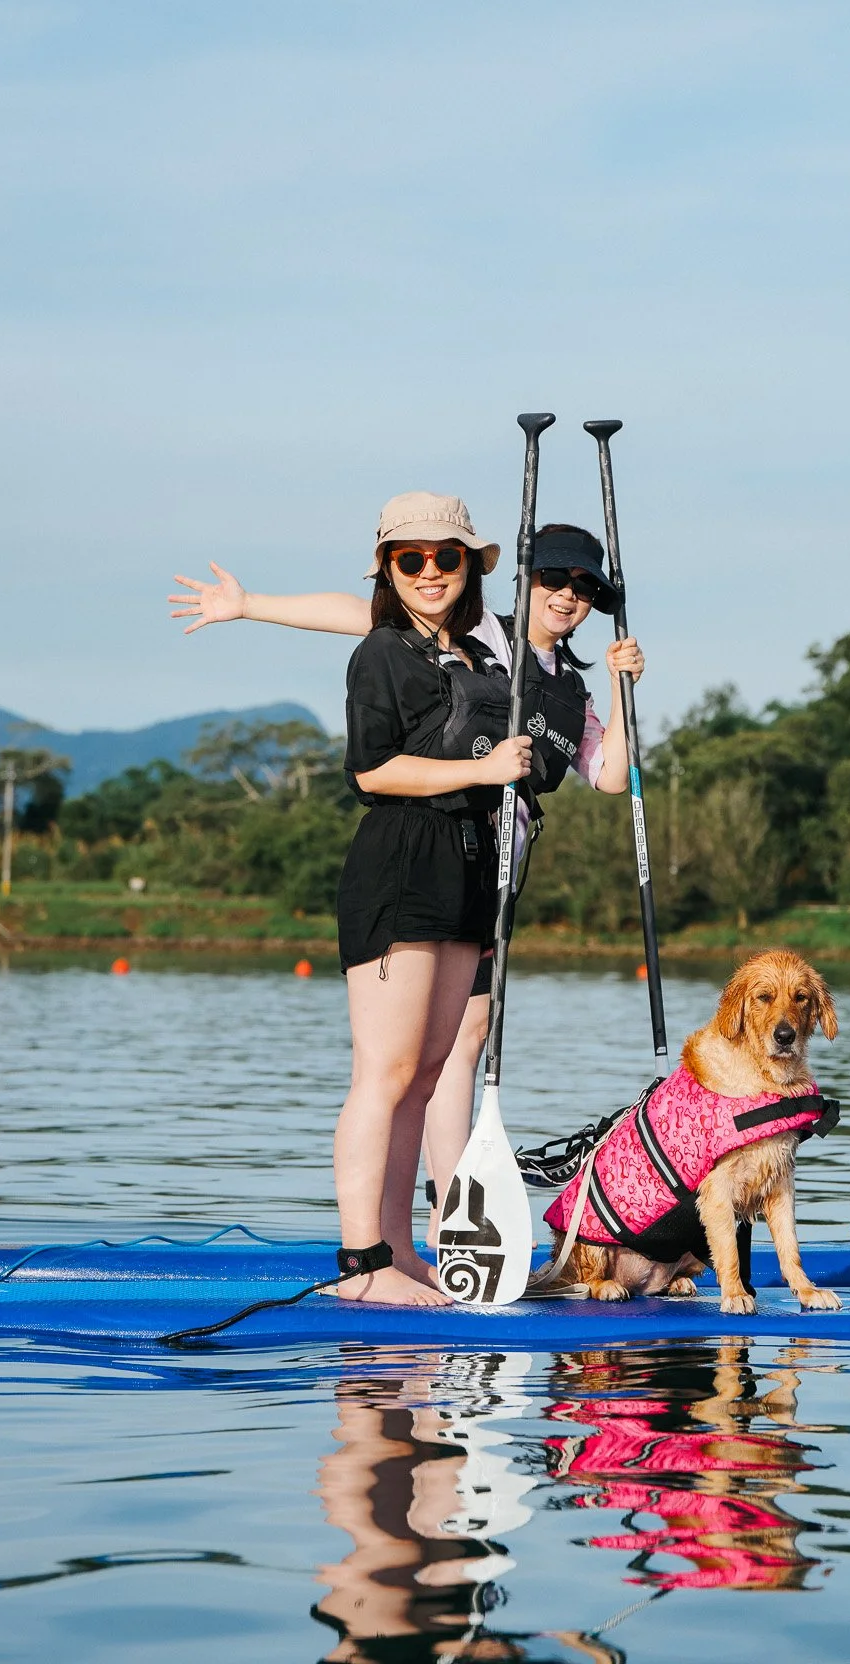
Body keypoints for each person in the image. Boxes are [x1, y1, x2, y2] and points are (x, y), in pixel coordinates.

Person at [169, 497, 644, 1269]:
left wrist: (624, 692)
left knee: (456, 1046)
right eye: (553, 579)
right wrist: (250, 605)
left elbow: (610, 776)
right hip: (426, 854)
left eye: (584, 589)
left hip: (487, 882)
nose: (567, 596)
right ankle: (423, 1223)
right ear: (519, 581)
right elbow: (363, 619)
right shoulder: (476, 636)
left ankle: (424, 1241)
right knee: (415, 1062)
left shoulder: (571, 691)